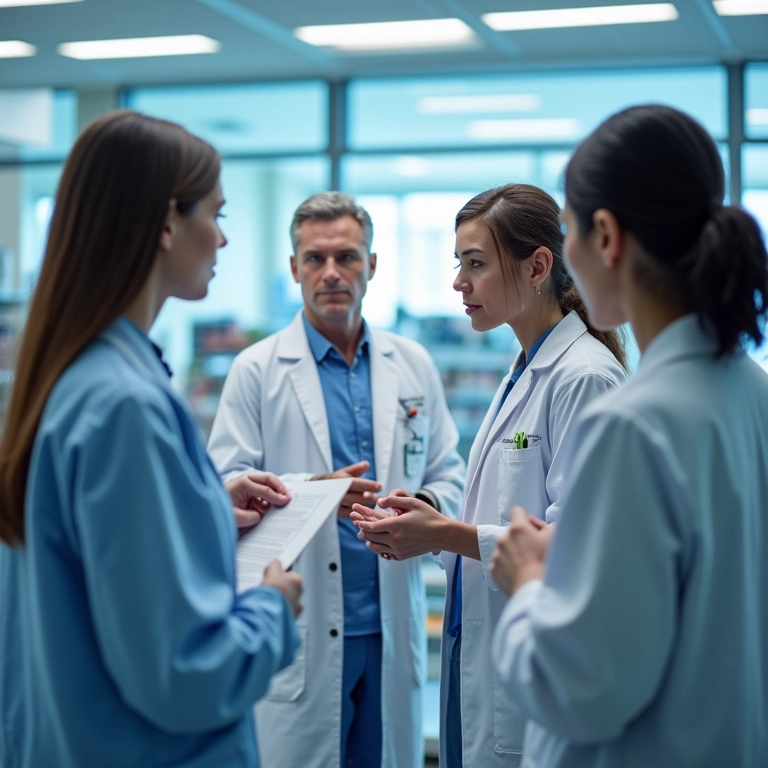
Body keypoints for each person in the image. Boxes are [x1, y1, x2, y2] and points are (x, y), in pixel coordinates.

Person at [0, 111, 304, 768]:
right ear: (167, 223)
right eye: (215, 215)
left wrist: (195, 509)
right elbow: (183, 675)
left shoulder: (70, 378)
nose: (222, 240)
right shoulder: (126, 407)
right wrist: (272, 612)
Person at [490, 104, 768, 768]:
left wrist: (529, 581)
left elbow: (580, 686)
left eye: (570, 233)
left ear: (607, 236)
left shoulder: (631, 422)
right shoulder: (750, 390)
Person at [352, 183, 627, 767]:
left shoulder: (582, 378)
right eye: (459, 265)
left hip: (531, 683)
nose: (458, 283)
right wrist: (424, 528)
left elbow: (582, 547)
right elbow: (499, 520)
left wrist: (443, 535)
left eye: (475, 264)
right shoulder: (523, 369)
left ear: (538, 267)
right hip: (475, 656)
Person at [207, 191, 466, 768]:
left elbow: (449, 469)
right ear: (295, 267)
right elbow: (225, 486)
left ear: (372, 265)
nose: (331, 273)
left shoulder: (413, 363)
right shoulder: (256, 369)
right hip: (303, 623)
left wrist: (422, 505)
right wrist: (311, 490)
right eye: (315, 258)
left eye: (347, 256)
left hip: (387, 623)